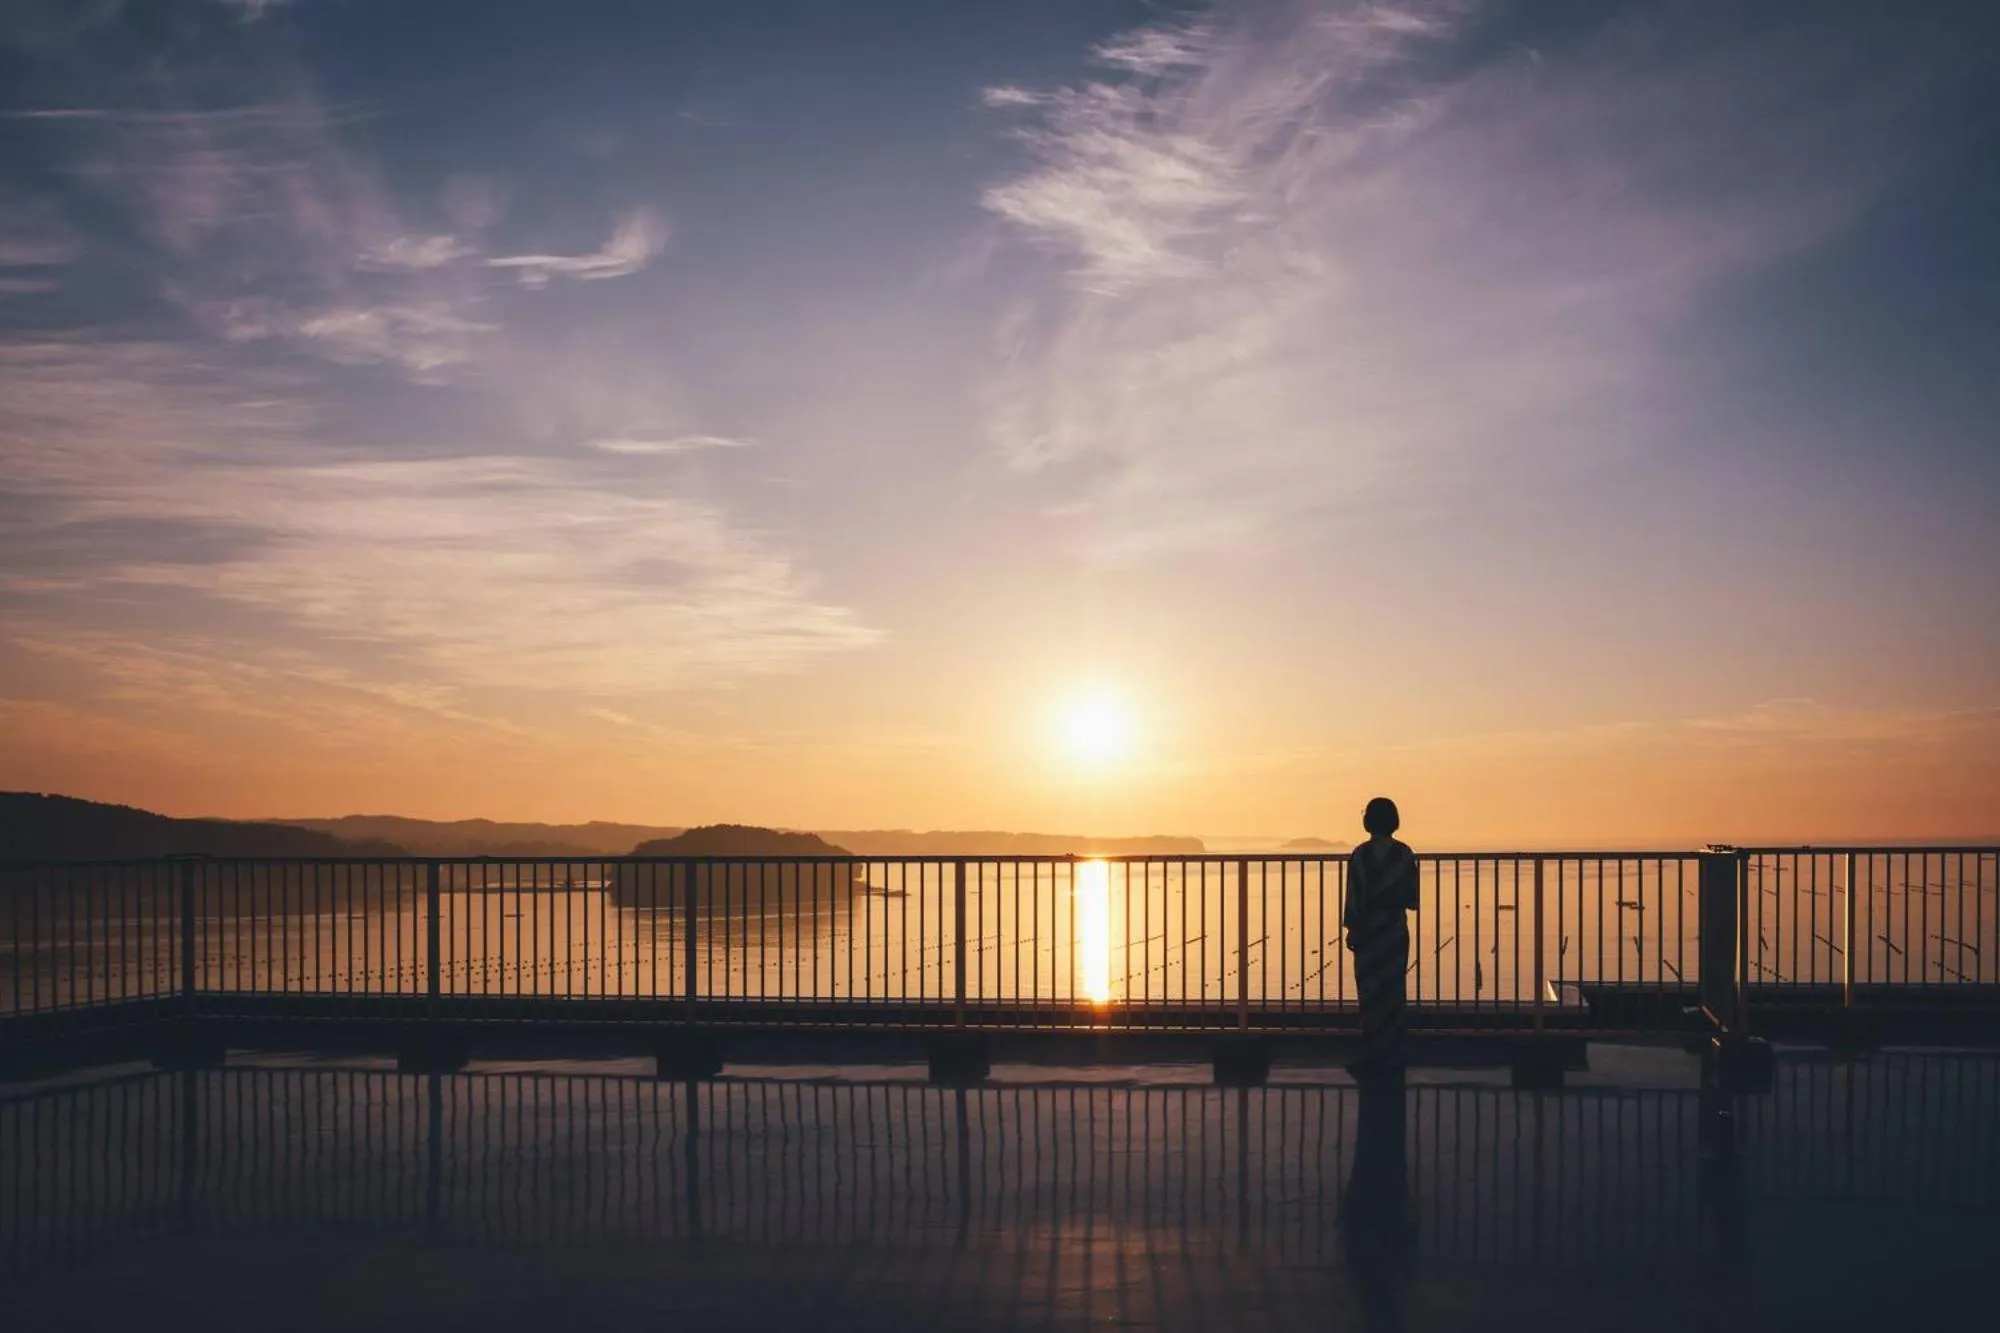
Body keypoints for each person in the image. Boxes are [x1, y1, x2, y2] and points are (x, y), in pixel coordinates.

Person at [1343, 796, 1418, 1073]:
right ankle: (1394, 1053)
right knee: (1394, 992)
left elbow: (1353, 897)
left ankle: (1371, 1053)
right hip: (1394, 929)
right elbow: (1411, 897)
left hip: (1368, 930)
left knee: (1369, 993)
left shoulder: (1360, 855)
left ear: (1368, 821)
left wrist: (1352, 928)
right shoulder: (1404, 853)